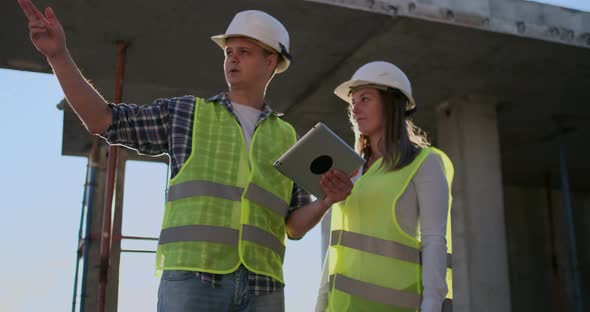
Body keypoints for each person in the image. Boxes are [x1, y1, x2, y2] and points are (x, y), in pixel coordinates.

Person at [19, 1, 353, 311]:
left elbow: (293, 227)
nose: (232, 59)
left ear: (271, 62)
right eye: (229, 52)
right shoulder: (187, 114)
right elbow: (103, 120)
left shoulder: (287, 136)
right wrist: (58, 55)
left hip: (263, 287)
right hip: (193, 280)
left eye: (244, 52)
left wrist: (326, 201)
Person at [315, 61, 454, 312]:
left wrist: (432, 306)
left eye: (365, 99)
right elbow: (337, 246)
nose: (355, 109)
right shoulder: (352, 169)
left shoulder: (424, 162)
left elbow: (434, 241)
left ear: (392, 105)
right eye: (353, 102)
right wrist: (320, 304)